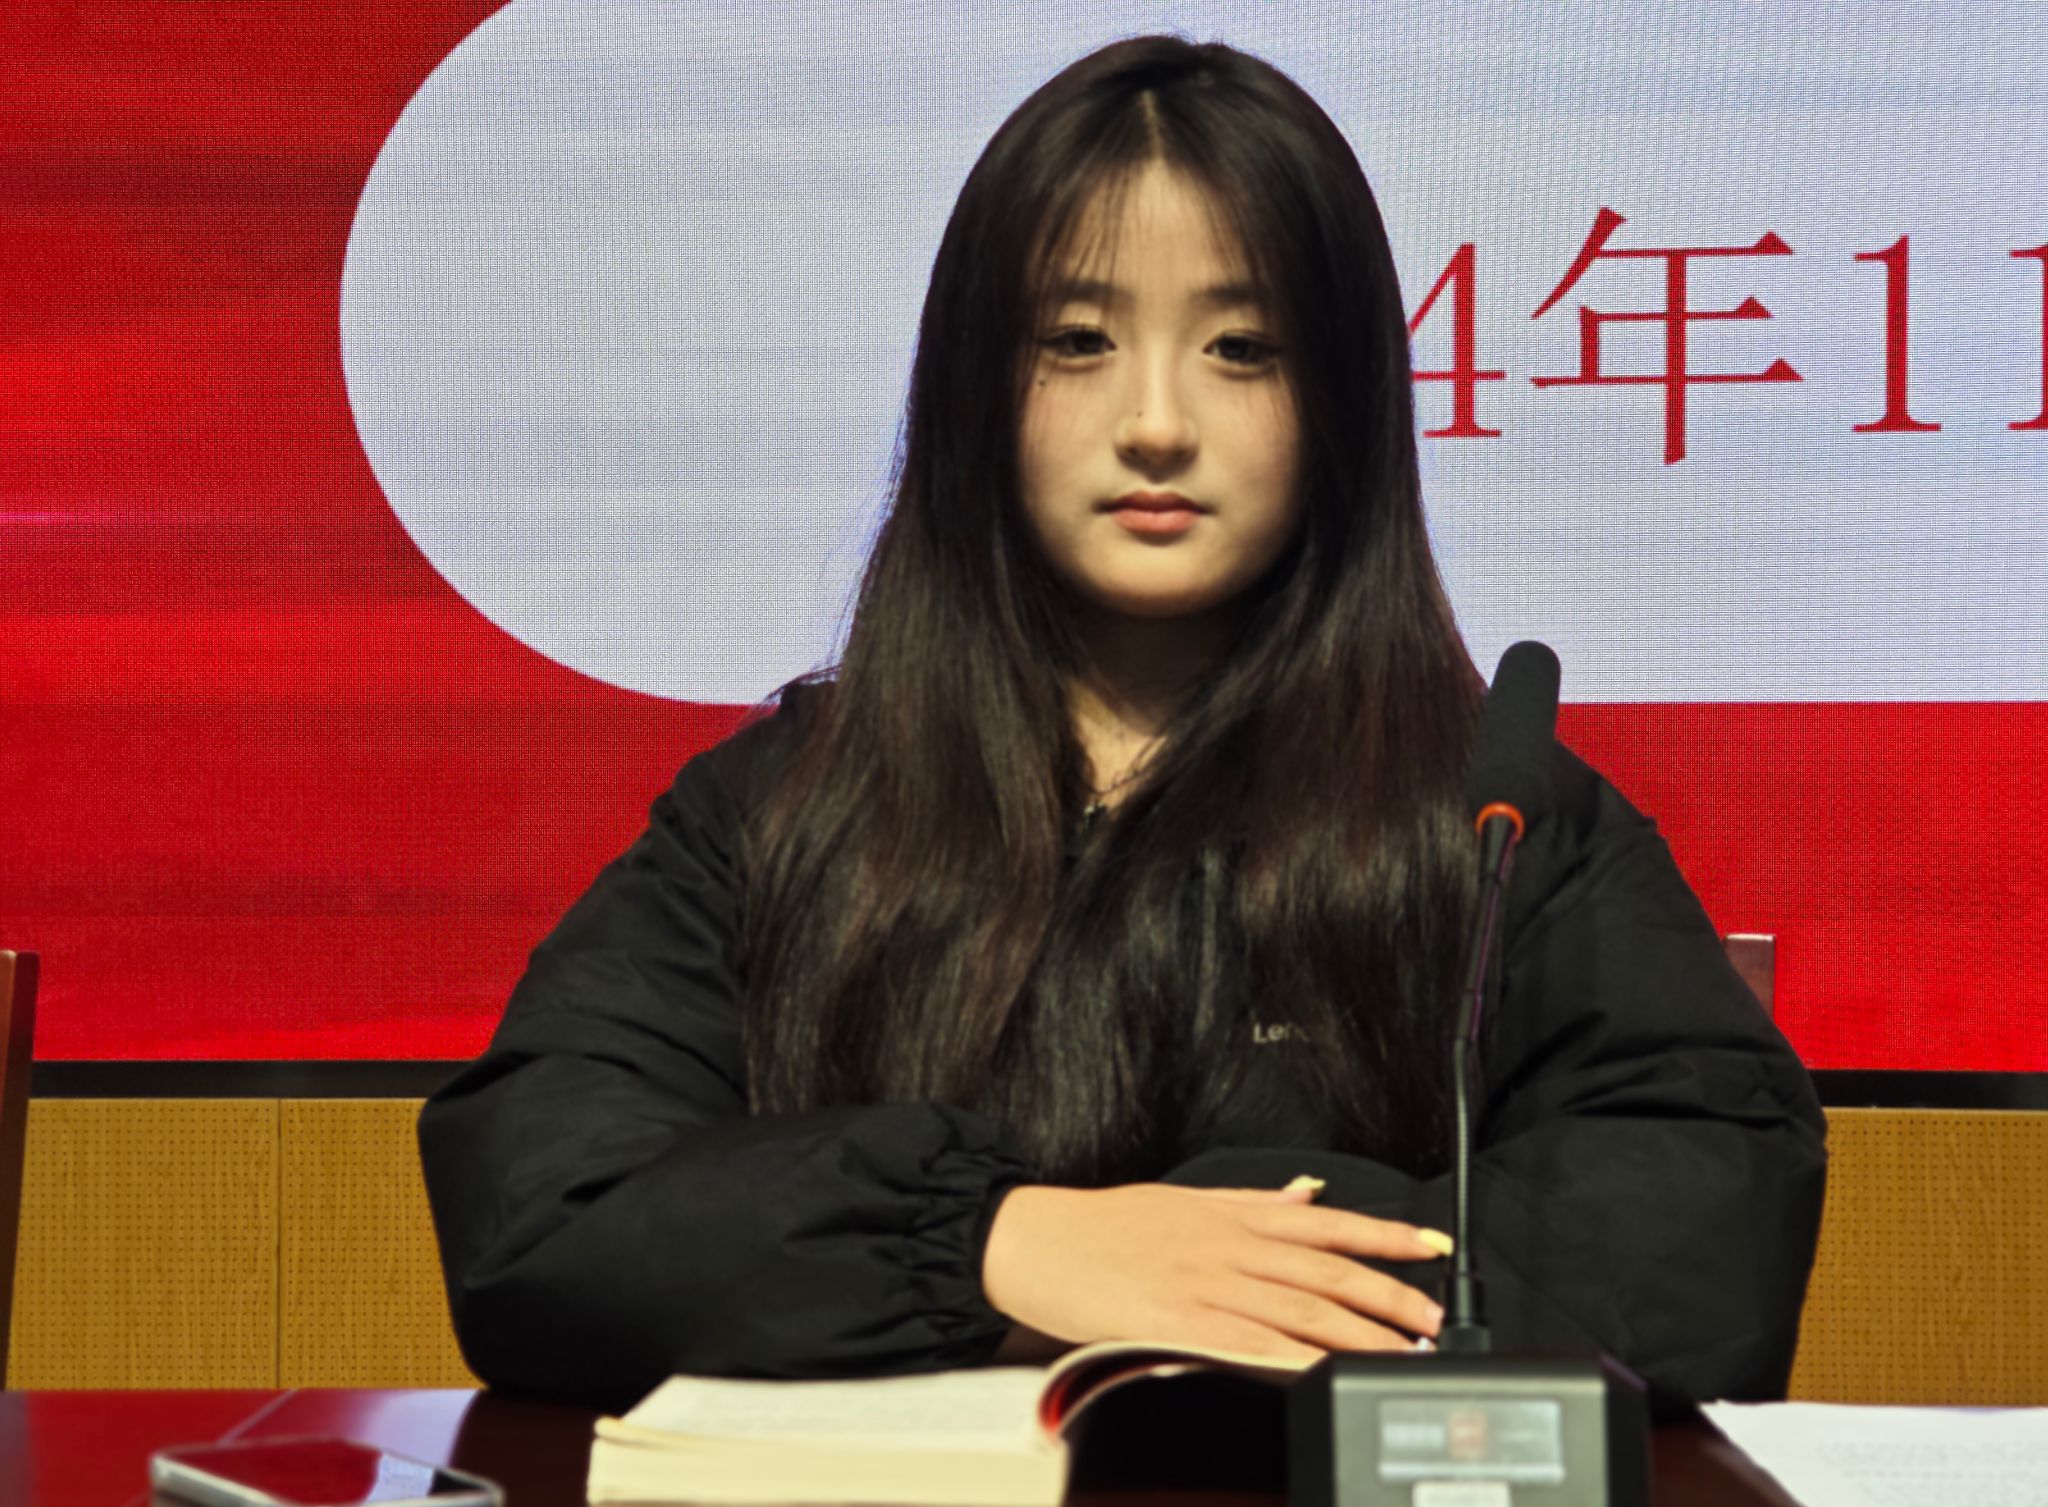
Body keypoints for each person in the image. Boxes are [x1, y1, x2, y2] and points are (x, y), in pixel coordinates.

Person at [417, 34, 1826, 1413]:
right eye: (1079, 342)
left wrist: (1213, 1253)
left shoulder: (1493, 815)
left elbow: (1710, 1236)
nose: (1157, 423)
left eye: (1242, 348)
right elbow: (544, 1209)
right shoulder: (784, 804)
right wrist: (996, 1242)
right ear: (974, 388)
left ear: (1343, 401)